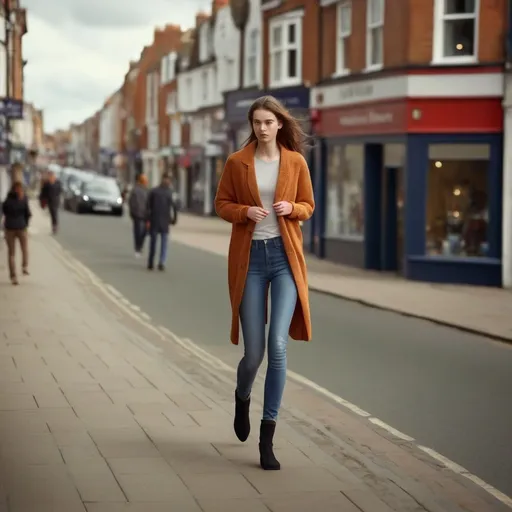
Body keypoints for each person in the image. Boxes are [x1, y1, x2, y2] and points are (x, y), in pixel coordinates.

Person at [214, 95, 315, 471]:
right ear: (252, 125)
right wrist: (244, 212)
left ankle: (266, 437)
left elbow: (308, 204)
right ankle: (242, 395)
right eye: (257, 122)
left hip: (285, 259)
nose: (262, 127)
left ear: (279, 124)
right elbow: (221, 203)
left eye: (269, 122)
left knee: (277, 345)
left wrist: (293, 209)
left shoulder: (295, 162)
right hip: (251, 261)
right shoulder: (237, 163)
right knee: (253, 353)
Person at [1, 181, 31, 285]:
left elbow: (4, 211)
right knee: (24, 249)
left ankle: (14, 276)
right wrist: (26, 224)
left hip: (10, 228)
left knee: (11, 253)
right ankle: (24, 267)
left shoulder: (8, 200)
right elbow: (28, 213)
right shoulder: (23, 199)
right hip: (21, 227)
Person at [146, 172, 175, 271]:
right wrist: (148, 219)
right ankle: (151, 261)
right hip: (154, 220)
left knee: (164, 243)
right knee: (153, 243)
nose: (167, 181)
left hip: (165, 221)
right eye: (166, 179)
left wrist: (174, 218)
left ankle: (161, 262)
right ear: (162, 179)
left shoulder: (170, 192)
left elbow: (173, 207)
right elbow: (148, 206)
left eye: (168, 179)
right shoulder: (154, 191)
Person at [128, 174, 149, 258]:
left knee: (145, 232)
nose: (146, 182)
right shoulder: (135, 190)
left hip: (145, 215)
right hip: (137, 214)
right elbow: (131, 202)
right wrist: (133, 212)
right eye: (144, 180)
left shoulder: (147, 191)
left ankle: (140, 246)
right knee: (137, 232)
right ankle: (137, 248)